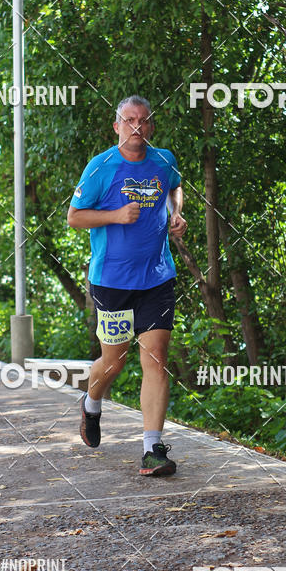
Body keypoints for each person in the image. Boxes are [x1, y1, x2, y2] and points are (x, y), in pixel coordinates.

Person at [67, 96, 187, 475]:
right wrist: (116, 215)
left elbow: (174, 187)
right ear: (116, 126)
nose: (137, 126)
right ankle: (91, 401)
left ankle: (153, 448)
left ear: (151, 127)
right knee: (114, 361)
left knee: (156, 358)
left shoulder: (164, 160)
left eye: (143, 121)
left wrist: (177, 213)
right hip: (112, 281)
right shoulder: (100, 167)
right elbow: (74, 217)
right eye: (129, 120)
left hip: (157, 277)